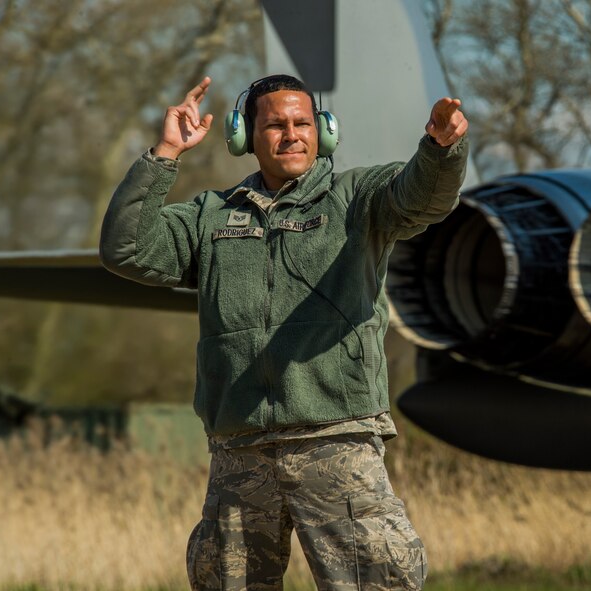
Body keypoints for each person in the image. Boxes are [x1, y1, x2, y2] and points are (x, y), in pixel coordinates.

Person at [99, 74, 468, 591]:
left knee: (377, 581)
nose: (291, 134)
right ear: (244, 137)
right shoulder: (211, 216)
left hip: (336, 440)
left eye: (302, 123)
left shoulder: (358, 198)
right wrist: (165, 154)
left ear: (324, 132)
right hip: (240, 449)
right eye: (275, 125)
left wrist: (440, 148)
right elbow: (126, 248)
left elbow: (423, 197)